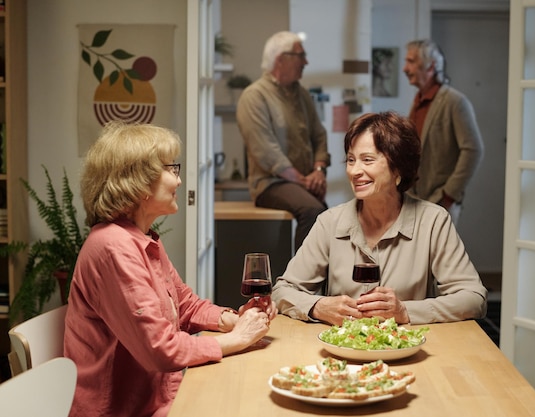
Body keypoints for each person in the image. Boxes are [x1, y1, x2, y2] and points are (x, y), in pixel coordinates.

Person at [64, 121, 278, 417]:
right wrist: (237, 339)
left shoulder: (141, 238)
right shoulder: (112, 246)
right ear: (137, 181)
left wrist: (234, 320)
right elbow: (160, 349)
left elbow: (186, 306)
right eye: (170, 169)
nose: (178, 181)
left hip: (160, 397)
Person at [271, 111, 487, 326]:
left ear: (398, 168)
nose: (355, 171)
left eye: (367, 160)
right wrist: (318, 306)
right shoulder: (329, 222)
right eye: (351, 160)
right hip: (340, 354)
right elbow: (282, 292)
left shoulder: (433, 221)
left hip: (407, 353)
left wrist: (405, 311)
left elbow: (473, 299)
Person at [236, 31, 331, 250]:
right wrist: (305, 181)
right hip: (271, 183)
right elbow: (266, 152)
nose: (306, 62)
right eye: (301, 55)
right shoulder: (255, 96)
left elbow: (319, 135)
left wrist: (318, 170)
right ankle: (302, 280)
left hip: (302, 181)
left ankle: (320, 279)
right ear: (281, 59)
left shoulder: (303, 94)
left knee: (330, 219)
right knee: (312, 211)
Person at [403, 39, 484, 225]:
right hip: (415, 202)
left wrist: (449, 195)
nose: (405, 69)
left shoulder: (455, 102)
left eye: (411, 62)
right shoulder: (417, 101)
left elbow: (473, 150)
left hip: (440, 204)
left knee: (439, 255)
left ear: (431, 66)